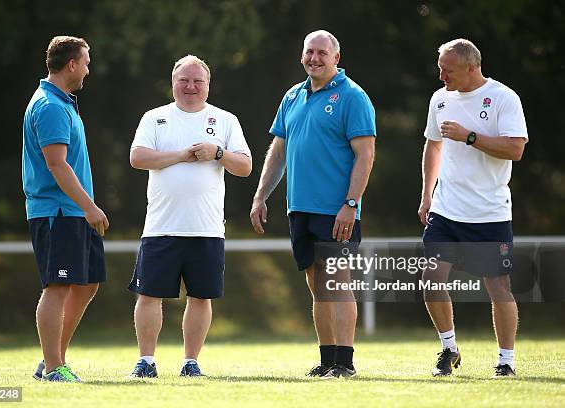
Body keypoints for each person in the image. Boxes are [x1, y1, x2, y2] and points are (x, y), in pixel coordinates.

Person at [250, 30, 376, 379]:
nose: (314, 58)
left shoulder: (353, 97)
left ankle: (345, 363)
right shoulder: (292, 95)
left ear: (336, 57)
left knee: (337, 282)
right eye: (309, 52)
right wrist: (261, 195)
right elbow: (278, 152)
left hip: (337, 209)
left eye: (322, 53)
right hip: (299, 209)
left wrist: (351, 203)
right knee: (317, 285)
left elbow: (365, 156)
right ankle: (327, 359)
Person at [128, 55, 252, 378]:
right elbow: (137, 157)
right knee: (149, 295)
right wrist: (182, 155)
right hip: (160, 226)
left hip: (206, 228)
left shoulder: (225, 120)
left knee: (200, 297)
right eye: (184, 80)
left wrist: (217, 153)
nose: (191, 87)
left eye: (198, 81)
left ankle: (191, 362)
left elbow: (245, 166)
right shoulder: (155, 119)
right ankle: (146, 361)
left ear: (208, 85)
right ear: (173, 83)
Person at [418, 38, 528, 377]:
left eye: (447, 70)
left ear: (471, 68)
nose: (441, 77)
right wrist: (426, 194)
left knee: (498, 288)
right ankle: (449, 349)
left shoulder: (504, 98)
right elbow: (433, 147)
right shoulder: (439, 99)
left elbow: (515, 149)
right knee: (430, 278)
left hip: (490, 213)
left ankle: (506, 362)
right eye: (440, 69)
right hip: (446, 210)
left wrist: (470, 136)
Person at [22, 36, 109, 382]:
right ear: (71, 64)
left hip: (72, 212)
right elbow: (57, 165)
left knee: (86, 285)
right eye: (86, 62)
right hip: (59, 211)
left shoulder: (63, 103)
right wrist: (90, 207)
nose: (88, 69)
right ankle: (54, 367)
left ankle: (52, 360)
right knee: (56, 287)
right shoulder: (51, 107)